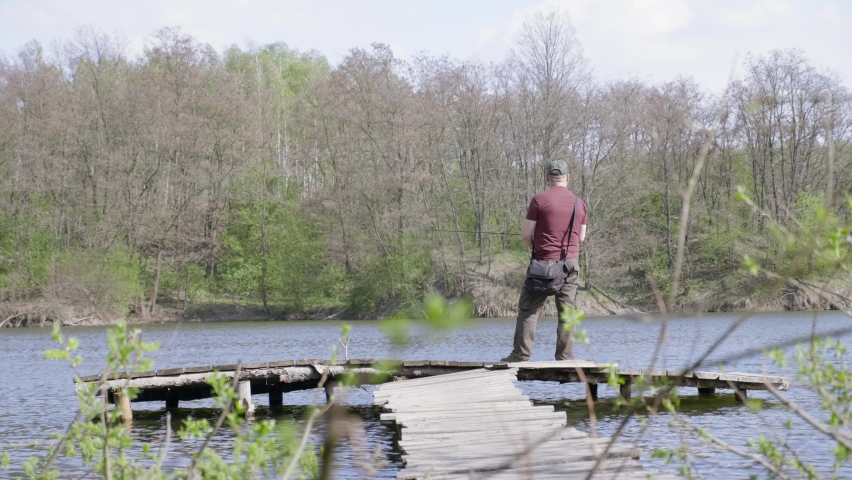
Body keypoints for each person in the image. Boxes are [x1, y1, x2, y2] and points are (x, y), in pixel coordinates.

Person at [501, 160, 587, 362]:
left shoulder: (539, 200)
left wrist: (538, 247)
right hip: (570, 265)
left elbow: (525, 234)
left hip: (542, 264)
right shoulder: (579, 203)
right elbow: (581, 238)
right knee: (567, 313)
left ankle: (521, 355)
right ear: (567, 177)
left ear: (547, 177)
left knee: (529, 309)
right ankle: (565, 357)